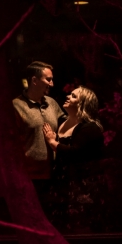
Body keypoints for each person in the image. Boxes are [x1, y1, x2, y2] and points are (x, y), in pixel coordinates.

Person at [42, 86, 107, 232]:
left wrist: (53, 142)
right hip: (61, 183)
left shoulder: (90, 128)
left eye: (74, 96)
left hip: (82, 186)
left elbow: (75, 153)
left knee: (79, 225)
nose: (67, 96)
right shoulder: (63, 122)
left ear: (83, 103)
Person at [12, 62, 65, 189]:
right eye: (48, 80)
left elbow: (66, 127)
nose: (52, 84)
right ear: (34, 80)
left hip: (54, 174)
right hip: (29, 178)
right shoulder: (16, 106)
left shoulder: (52, 103)